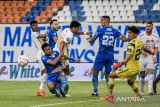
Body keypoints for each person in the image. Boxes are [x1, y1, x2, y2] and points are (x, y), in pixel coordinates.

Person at [102, 26, 154, 102]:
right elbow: (146, 49)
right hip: (136, 68)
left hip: (130, 68)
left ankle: (110, 96)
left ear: (135, 34)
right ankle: (138, 95)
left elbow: (128, 57)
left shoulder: (131, 44)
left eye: (130, 33)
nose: (128, 34)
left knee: (111, 76)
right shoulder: (139, 41)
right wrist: (152, 53)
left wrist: (119, 64)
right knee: (130, 82)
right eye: (128, 32)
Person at [86, 16, 127, 96]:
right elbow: (124, 39)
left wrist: (87, 38)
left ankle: (95, 92)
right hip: (110, 55)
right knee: (108, 74)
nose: (101, 22)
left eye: (102, 20)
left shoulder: (100, 30)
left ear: (107, 21)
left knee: (95, 71)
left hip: (101, 54)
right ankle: (110, 93)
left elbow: (91, 41)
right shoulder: (115, 30)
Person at [53, 20, 91, 96]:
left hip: (57, 51)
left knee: (64, 71)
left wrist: (85, 33)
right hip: (61, 54)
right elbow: (63, 43)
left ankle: (60, 89)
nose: (78, 30)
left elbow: (75, 33)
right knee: (64, 72)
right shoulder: (69, 36)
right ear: (73, 28)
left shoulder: (66, 30)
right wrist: (61, 53)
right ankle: (61, 90)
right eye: (77, 28)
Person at [138, 22, 159, 95]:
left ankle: (150, 90)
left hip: (150, 57)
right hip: (141, 57)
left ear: (152, 27)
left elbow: (156, 48)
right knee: (142, 75)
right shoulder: (140, 36)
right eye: (146, 26)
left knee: (151, 71)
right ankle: (141, 89)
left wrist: (155, 56)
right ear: (145, 27)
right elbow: (137, 46)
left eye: (149, 26)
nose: (148, 27)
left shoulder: (155, 37)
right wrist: (141, 51)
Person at [30, 21, 47, 96]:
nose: (36, 26)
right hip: (41, 53)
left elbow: (43, 41)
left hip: (43, 53)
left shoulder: (37, 34)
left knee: (44, 71)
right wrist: (47, 33)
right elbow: (44, 36)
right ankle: (40, 89)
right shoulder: (34, 34)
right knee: (46, 70)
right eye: (34, 25)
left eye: (36, 25)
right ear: (31, 27)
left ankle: (41, 89)